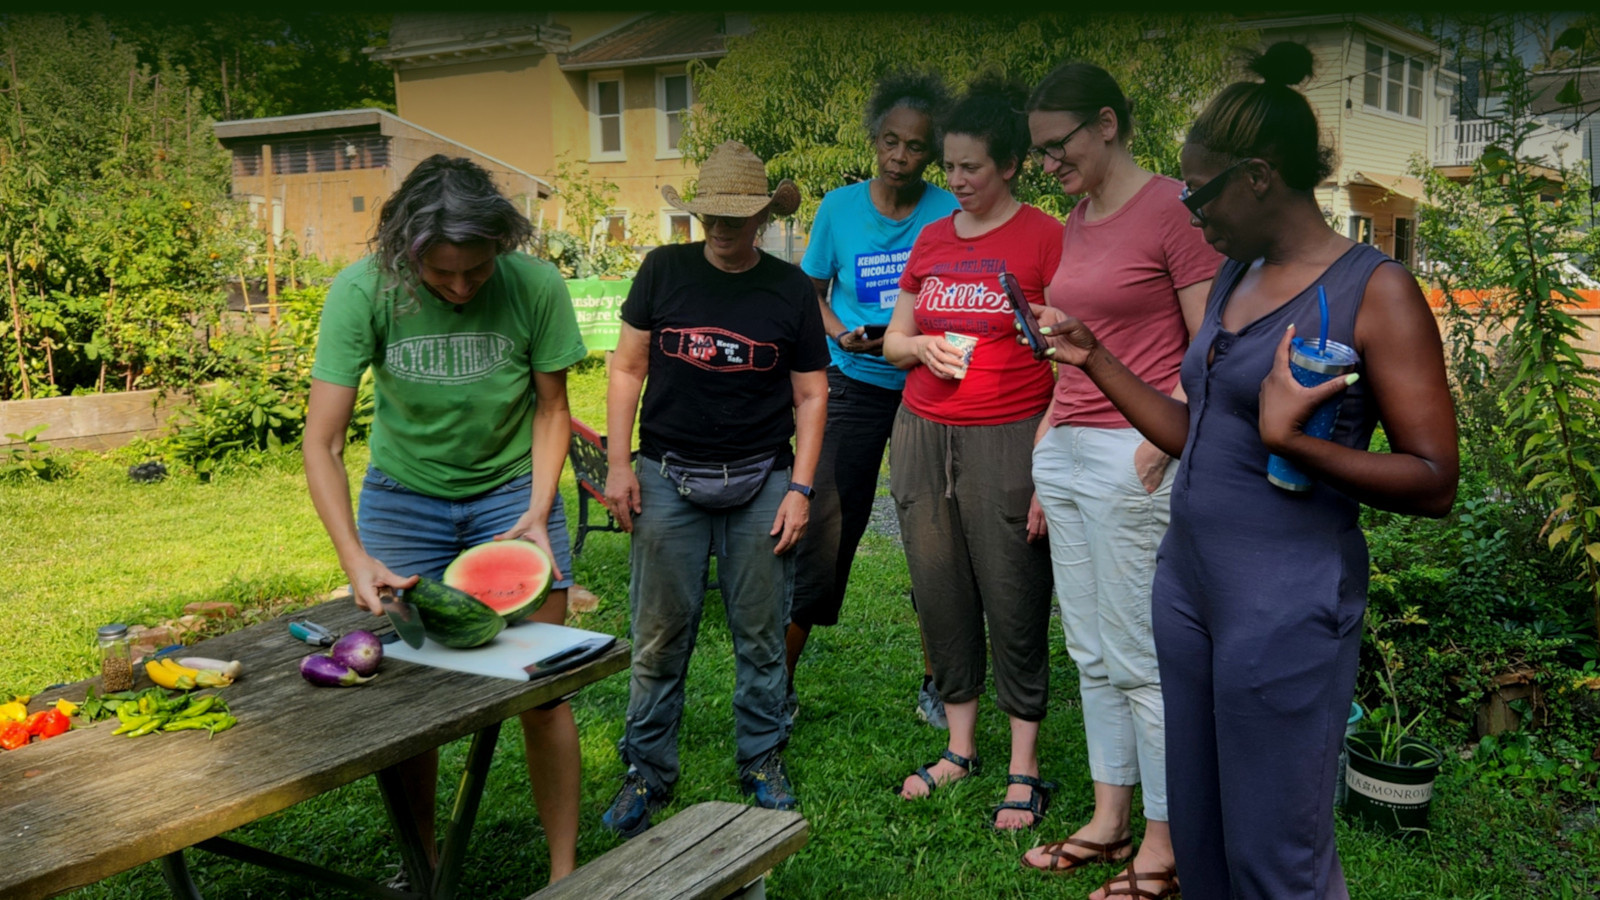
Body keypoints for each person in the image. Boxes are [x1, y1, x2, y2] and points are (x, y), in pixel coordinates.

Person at [1032, 43, 1458, 899]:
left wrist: (1296, 441)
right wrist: (1096, 359)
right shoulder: (1236, 274)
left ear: (1259, 177)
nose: (1190, 213)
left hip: (1284, 598)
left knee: (1276, 854)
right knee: (1204, 834)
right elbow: (1207, 435)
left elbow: (1435, 479)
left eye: (1200, 192)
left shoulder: (1376, 291)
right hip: (1189, 585)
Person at [303, 155, 589, 884]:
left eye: (477, 270)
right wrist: (354, 558)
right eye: (441, 273)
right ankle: (422, 863)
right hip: (403, 499)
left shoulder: (536, 286)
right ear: (406, 252)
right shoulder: (362, 290)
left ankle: (566, 874)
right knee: (407, 698)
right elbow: (323, 441)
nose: (461, 287)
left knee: (543, 688)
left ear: (502, 245)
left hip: (510, 496)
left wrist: (536, 508)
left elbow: (553, 409)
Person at [1018, 62, 1222, 897]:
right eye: (1036, 151)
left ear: (1106, 123)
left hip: (1132, 453)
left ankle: (1166, 846)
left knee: (1141, 654)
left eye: (1055, 144)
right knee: (1090, 649)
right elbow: (1081, 347)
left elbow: (1211, 344)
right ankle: (1109, 820)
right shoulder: (1079, 217)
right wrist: (1044, 452)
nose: (1045, 163)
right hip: (1067, 447)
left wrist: (1163, 443)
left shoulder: (1174, 208)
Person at [600, 140, 829, 838]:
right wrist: (618, 464)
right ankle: (646, 768)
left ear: (762, 215)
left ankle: (762, 758)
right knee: (659, 635)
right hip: (667, 475)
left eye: (737, 217)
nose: (722, 228)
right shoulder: (662, 270)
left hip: (761, 477)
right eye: (711, 216)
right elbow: (626, 369)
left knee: (759, 634)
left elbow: (813, 394)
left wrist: (802, 490)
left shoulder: (789, 288)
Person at [882, 75, 1063, 831]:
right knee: (940, 587)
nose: (954, 181)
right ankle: (960, 749)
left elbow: (1075, 360)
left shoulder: (1048, 238)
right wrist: (919, 344)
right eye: (948, 167)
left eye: (970, 168)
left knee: (1014, 590)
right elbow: (894, 342)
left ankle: (1025, 765)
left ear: (1011, 164)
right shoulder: (930, 239)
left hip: (1010, 434)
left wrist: (1050, 464)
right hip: (923, 432)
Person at [788, 71, 960, 731]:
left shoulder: (948, 210)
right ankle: (780, 683)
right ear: (875, 140)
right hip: (852, 383)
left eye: (915, 147)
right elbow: (813, 288)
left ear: (932, 152)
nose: (899, 156)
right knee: (825, 531)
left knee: (935, 535)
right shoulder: (838, 208)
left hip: (926, 382)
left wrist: (907, 338)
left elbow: (957, 296)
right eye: (890, 141)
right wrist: (842, 336)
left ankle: (938, 684)